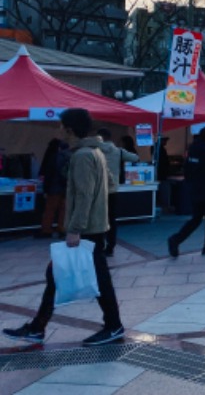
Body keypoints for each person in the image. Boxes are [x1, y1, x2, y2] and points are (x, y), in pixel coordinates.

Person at [3, 108, 124, 346]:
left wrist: (74, 228)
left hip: (87, 229)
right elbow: (109, 185)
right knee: (59, 274)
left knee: (97, 279)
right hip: (96, 226)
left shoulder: (82, 156)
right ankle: (39, 326)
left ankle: (113, 325)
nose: (59, 130)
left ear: (69, 129)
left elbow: (85, 194)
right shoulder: (95, 152)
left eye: (61, 126)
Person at [168, 127, 205, 257]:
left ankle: (176, 239)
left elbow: (187, 168)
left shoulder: (192, 149)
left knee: (196, 218)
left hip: (195, 188)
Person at [96, 128, 139, 257]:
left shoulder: (94, 151)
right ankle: (110, 246)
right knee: (111, 219)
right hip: (113, 189)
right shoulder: (118, 151)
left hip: (97, 190)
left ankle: (99, 245)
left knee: (98, 219)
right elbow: (135, 158)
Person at [36, 138, 70, 239]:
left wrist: (46, 189)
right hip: (66, 188)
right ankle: (62, 229)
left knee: (50, 210)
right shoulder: (72, 157)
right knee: (63, 210)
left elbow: (49, 174)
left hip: (54, 187)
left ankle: (46, 230)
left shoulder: (54, 157)